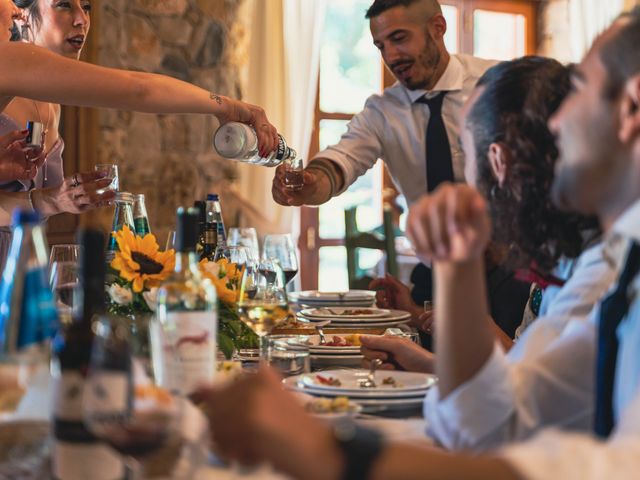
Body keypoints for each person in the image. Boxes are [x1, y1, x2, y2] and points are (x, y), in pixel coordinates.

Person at [196, 8, 640, 480]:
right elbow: (485, 426)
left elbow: (610, 467)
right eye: (379, 45)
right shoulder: (608, 264)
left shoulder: (491, 84)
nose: (554, 123)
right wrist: (454, 265)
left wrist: (330, 452)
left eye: (579, 90)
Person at [361, 57, 614, 427]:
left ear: (498, 160)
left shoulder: (597, 270)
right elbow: (525, 376)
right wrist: (427, 363)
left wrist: (455, 267)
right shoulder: (564, 253)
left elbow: (494, 424)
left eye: (464, 151)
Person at [0, 0, 278, 228]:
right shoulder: (8, 59)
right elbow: (139, 88)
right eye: (63, 5)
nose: (81, 19)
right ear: (23, 15)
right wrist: (226, 106)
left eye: (86, 7)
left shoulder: (51, 102)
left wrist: (54, 200)